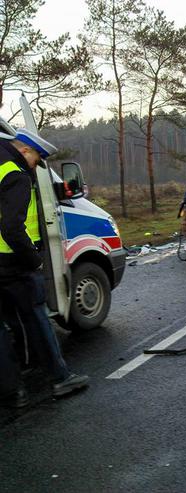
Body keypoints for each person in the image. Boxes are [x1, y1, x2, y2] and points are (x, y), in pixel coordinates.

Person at [0, 129, 89, 408]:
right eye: (36, 158)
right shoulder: (15, 174)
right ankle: (60, 377)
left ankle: (11, 392)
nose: (34, 164)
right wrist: (34, 260)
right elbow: (12, 228)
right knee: (37, 319)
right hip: (14, 264)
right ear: (25, 150)